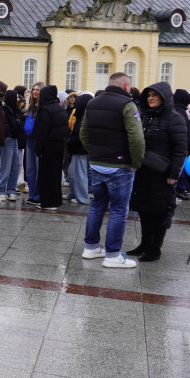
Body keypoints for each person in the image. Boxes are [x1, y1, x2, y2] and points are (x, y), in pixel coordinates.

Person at [80, 72, 144, 269]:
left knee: (97, 206)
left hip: (97, 163)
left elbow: (83, 133)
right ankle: (113, 255)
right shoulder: (127, 105)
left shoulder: (92, 103)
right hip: (120, 165)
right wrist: (136, 161)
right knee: (118, 210)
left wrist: (95, 153)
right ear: (126, 86)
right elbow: (137, 138)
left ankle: (91, 247)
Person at [127, 83, 187, 262]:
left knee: (159, 211)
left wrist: (174, 174)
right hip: (144, 171)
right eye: (148, 95)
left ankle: (155, 249)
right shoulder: (147, 116)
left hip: (162, 173)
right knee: (145, 209)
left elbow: (180, 149)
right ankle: (144, 244)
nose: (150, 98)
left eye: (154, 95)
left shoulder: (174, 118)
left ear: (164, 97)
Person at [33, 85, 70, 210]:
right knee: (56, 174)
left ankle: (48, 202)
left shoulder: (45, 110)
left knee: (46, 174)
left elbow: (42, 132)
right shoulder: (60, 109)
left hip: (48, 145)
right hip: (59, 144)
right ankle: (56, 200)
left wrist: (38, 149)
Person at [65, 93, 93, 205]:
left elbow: (80, 135)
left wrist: (70, 141)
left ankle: (82, 198)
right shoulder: (84, 116)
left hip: (79, 150)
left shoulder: (84, 118)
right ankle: (73, 193)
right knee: (72, 172)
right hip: (78, 149)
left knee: (79, 174)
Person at [0, 90, 23, 202]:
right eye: (16, 97)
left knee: (15, 166)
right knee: (5, 166)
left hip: (14, 139)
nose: (18, 99)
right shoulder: (4, 110)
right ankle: (1, 191)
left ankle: (11, 190)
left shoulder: (15, 110)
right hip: (7, 140)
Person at [23, 81, 44, 205]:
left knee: (37, 167)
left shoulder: (42, 107)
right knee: (30, 168)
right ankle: (32, 194)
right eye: (33, 89)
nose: (35, 92)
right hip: (29, 139)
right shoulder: (31, 105)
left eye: (37, 90)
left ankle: (37, 195)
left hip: (37, 139)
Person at [172, 89, 190, 201]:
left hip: (173, 146)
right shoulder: (181, 112)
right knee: (180, 170)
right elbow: (187, 132)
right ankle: (180, 190)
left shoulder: (172, 110)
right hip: (181, 147)